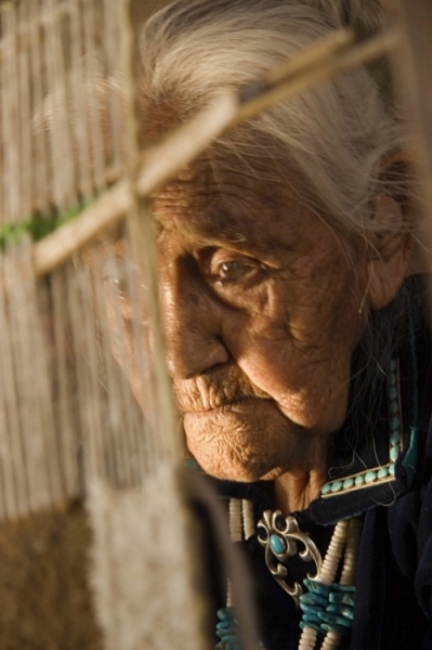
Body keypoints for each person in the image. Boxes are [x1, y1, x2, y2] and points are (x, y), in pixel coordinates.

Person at [107, 1, 432, 648]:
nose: (179, 353)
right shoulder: (166, 501)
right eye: (128, 283)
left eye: (232, 268)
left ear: (382, 235)